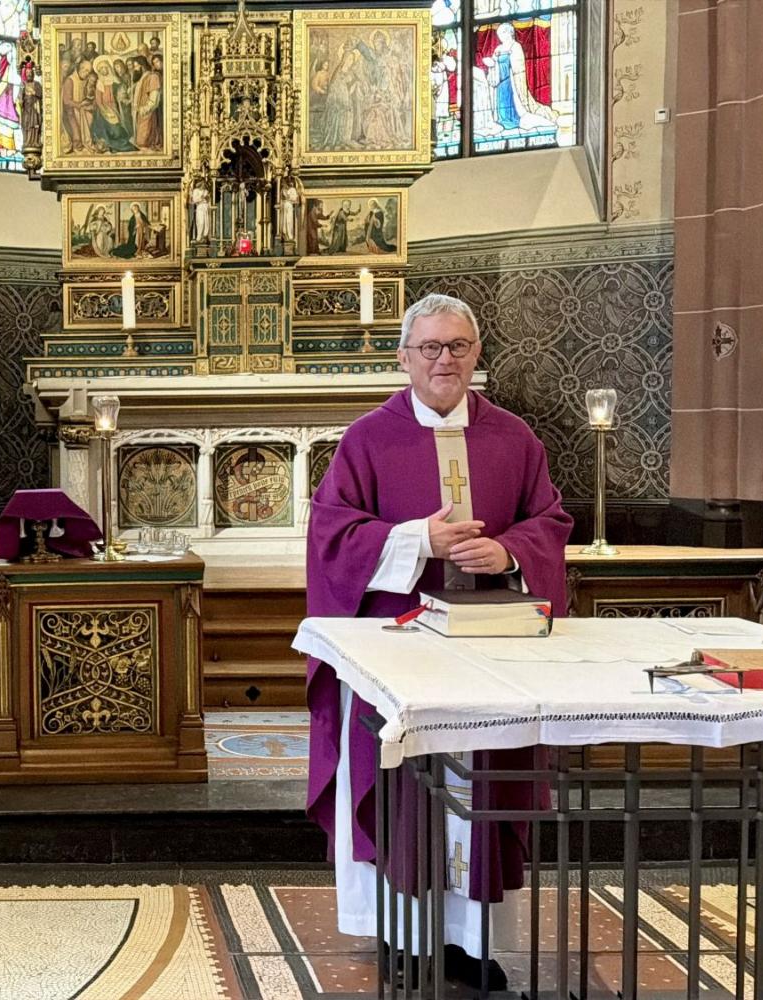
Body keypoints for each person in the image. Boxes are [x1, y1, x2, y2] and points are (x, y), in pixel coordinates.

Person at [302, 293, 572, 990]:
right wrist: (416, 539)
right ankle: (401, 936)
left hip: (490, 649)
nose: (444, 359)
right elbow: (330, 535)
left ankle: (472, 943)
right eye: (429, 348)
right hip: (397, 651)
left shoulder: (516, 439)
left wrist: (508, 554)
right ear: (404, 357)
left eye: (457, 346)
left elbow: (550, 522)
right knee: (403, 784)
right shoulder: (369, 438)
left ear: (477, 353)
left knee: (475, 784)